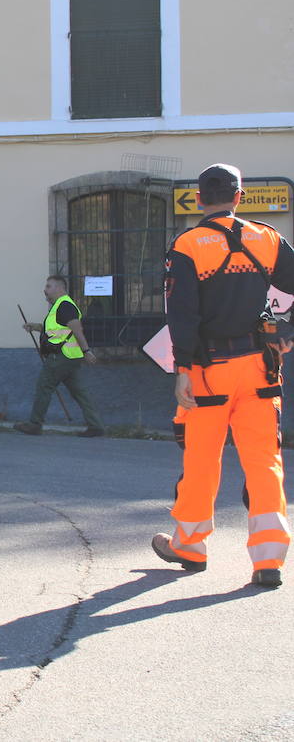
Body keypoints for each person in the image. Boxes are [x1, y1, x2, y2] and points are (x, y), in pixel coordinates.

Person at [152, 163, 294, 588]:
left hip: (208, 371)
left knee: (201, 461)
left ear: (198, 198)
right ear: (239, 196)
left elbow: (182, 313)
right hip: (260, 369)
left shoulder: (187, 244)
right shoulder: (267, 238)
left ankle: (190, 547)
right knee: (264, 462)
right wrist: (286, 333)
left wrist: (183, 369)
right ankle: (268, 559)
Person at [13, 275, 104, 437]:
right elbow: (57, 330)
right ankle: (95, 426)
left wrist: (87, 351)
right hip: (70, 357)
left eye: (49, 286)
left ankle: (35, 424)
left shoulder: (65, 306)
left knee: (44, 386)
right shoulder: (59, 306)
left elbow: (77, 330)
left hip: (61, 357)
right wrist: (35, 327)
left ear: (60, 288)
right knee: (79, 392)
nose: (45, 290)